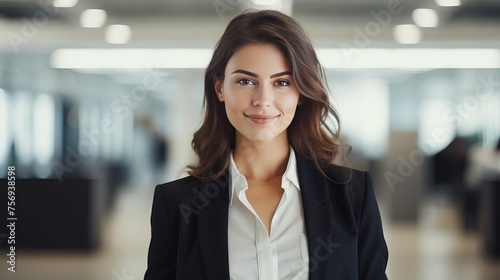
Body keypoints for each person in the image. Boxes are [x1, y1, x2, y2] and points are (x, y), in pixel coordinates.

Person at [144, 10, 388, 280]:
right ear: (220, 88)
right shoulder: (176, 204)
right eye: (246, 81)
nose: (263, 99)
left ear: (302, 93)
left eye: (281, 82)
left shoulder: (353, 196)